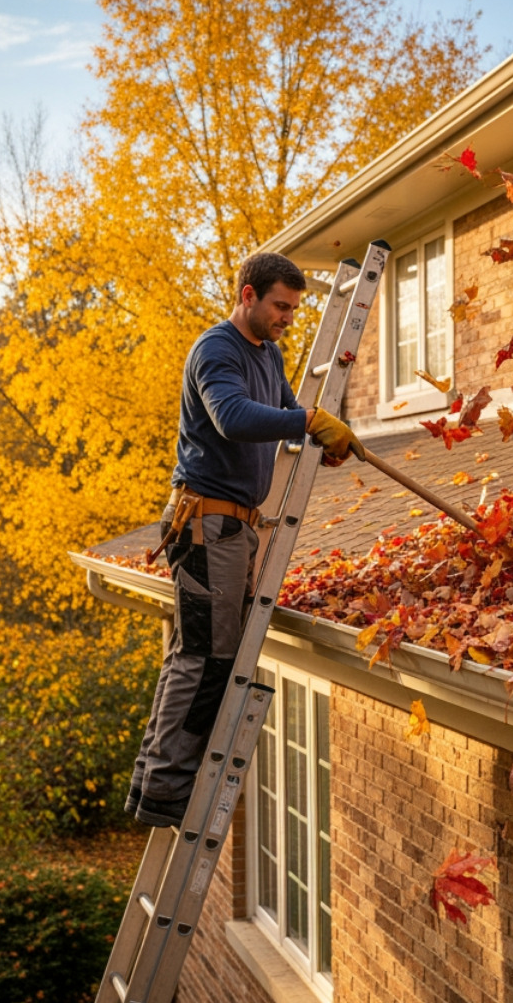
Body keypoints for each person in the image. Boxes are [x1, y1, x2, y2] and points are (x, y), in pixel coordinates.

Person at [125, 251, 363, 828]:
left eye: (294, 309)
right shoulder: (217, 349)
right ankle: (165, 789)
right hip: (206, 526)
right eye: (280, 306)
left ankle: (157, 778)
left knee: (210, 652)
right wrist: (307, 423)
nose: (287, 317)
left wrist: (320, 441)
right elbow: (232, 416)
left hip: (236, 527)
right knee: (204, 655)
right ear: (247, 294)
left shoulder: (269, 354)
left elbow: (280, 413)